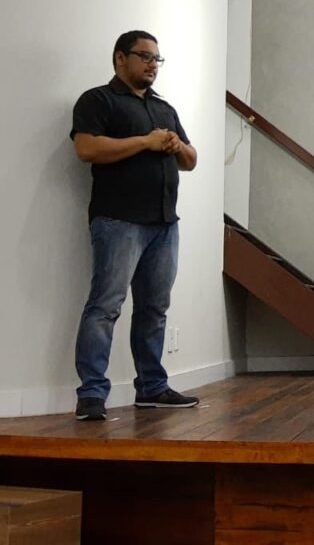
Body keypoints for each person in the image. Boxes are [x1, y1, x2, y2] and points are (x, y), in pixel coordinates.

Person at [70, 31, 199, 421]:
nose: (152, 64)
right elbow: (86, 148)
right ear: (120, 58)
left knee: (154, 309)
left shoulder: (164, 108)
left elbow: (191, 161)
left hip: (164, 224)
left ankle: (152, 388)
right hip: (118, 221)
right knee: (105, 307)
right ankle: (92, 394)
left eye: (157, 59)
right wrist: (145, 142)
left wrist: (176, 146)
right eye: (144, 56)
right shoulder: (98, 100)